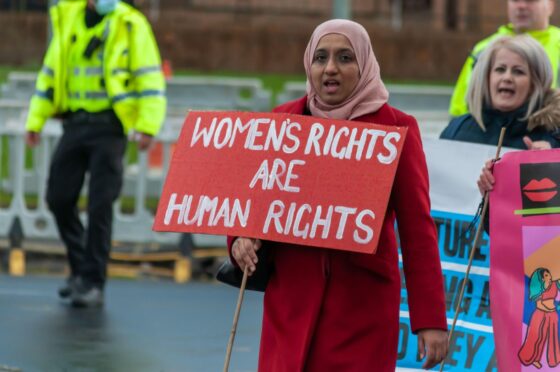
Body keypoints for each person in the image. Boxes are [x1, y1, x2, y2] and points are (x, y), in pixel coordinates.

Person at [228, 19, 448, 371]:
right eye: (320, 58)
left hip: (361, 312)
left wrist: (431, 319)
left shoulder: (396, 128)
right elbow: (255, 201)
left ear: (364, 66)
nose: (330, 68)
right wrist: (239, 238)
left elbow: (417, 229)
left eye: (345, 58)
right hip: (290, 309)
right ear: (308, 65)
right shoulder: (283, 120)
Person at [25, 0, 166, 307]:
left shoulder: (130, 24)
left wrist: (147, 125)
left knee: (101, 206)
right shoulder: (69, 18)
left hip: (110, 128)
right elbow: (50, 74)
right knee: (58, 199)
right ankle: (80, 269)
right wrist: (35, 119)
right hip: (75, 124)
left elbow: (149, 77)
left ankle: (93, 282)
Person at [441, 35, 560, 151]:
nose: (507, 77)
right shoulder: (456, 129)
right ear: (487, 78)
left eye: (518, 71)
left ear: (535, 83)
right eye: (500, 69)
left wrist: (551, 163)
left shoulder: (553, 136)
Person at [449, 0, 560, 117]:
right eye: (515, 0)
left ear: (550, 5)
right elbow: (460, 107)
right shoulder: (484, 49)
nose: (521, 6)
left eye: (530, 0)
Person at [518, 268, 560, 369]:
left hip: (552, 315)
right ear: (540, 278)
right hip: (540, 315)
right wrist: (549, 309)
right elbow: (539, 304)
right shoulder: (538, 288)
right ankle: (533, 358)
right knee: (537, 337)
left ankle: (554, 359)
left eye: (548, 274)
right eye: (545, 275)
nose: (548, 277)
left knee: (554, 337)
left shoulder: (555, 284)